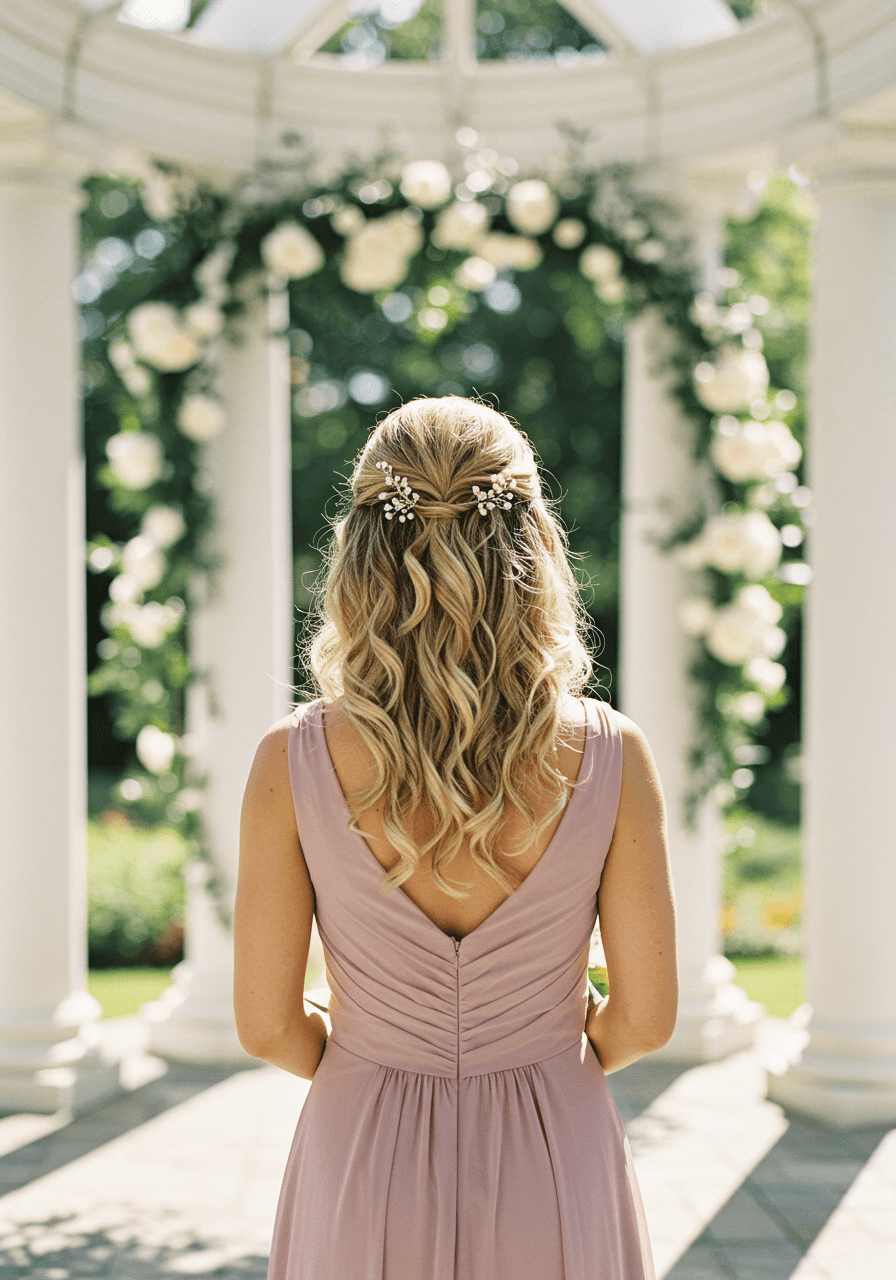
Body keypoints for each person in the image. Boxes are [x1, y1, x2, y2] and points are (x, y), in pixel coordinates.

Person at [235, 396, 677, 1280]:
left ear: (360, 557)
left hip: (362, 1147)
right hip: (557, 1144)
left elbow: (268, 1025)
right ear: (535, 548)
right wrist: (543, 1046)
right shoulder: (611, 752)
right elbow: (646, 1018)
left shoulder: (294, 757)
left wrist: (378, 1055)